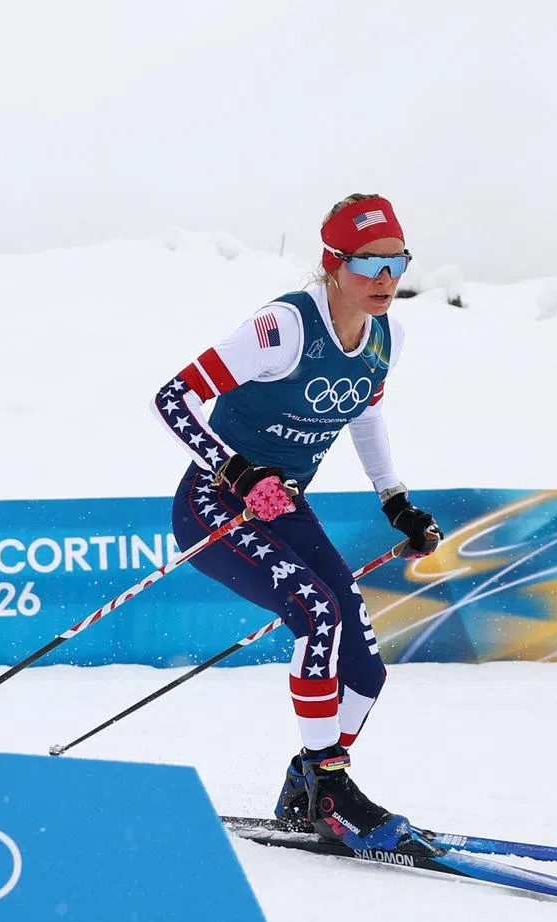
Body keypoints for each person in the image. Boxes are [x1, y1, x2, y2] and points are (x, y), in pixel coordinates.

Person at [151, 192, 442, 854]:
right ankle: (332, 790)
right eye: (368, 265)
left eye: (396, 263)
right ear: (332, 264)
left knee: (365, 668)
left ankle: (307, 784)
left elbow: (363, 412)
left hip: (283, 503)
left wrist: (394, 500)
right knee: (317, 612)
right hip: (214, 503)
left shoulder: (386, 338)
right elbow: (173, 400)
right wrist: (237, 474)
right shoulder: (282, 328)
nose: (385, 281)